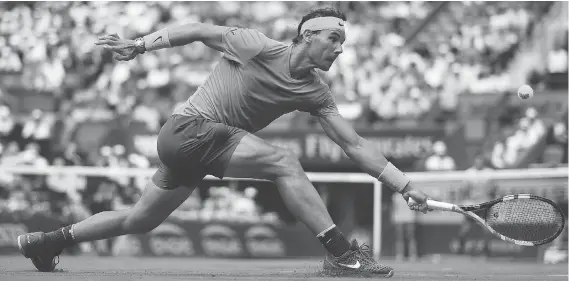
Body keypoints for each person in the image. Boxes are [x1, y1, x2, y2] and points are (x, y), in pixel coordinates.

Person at [17, 7, 432, 277]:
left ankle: (46, 243)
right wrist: (140, 45)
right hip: (189, 128)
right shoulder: (256, 45)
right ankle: (341, 254)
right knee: (285, 161)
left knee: (139, 220)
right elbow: (198, 29)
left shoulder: (315, 92)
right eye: (333, 40)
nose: (340, 49)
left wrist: (404, 185)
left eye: (343, 43)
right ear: (308, 34)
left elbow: (354, 144)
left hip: (196, 147)